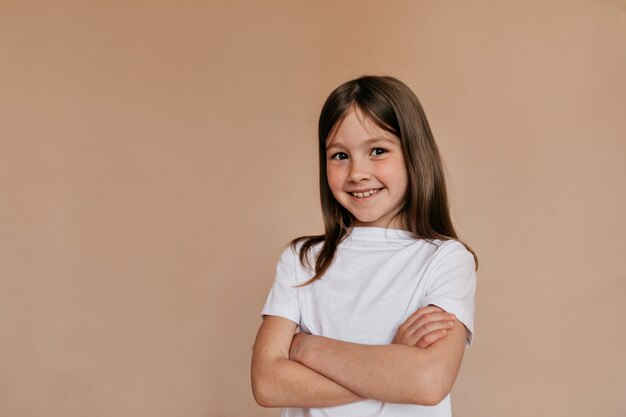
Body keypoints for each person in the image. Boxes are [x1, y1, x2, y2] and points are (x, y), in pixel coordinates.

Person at [251, 75, 478, 417]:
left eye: (377, 151)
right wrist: (391, 365)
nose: (357, 172)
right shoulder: (302, 260)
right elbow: (267, 384)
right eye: (340, 155)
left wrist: (306, 348)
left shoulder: (445, 259)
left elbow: (427, 381)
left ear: (414, 154)